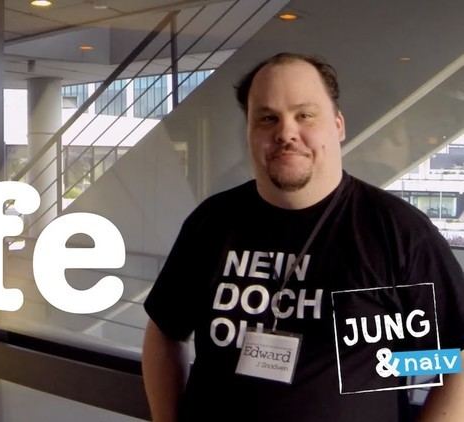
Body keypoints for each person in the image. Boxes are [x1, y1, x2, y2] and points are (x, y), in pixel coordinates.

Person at [142, 52, 464, 421]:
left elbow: (456, 355)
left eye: (305, 115)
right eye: (267, 118)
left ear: (338, 125)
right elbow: (166, 330)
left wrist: (387, 363)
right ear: (249, 132)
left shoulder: (398, 230)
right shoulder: (212, 222)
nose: (286, 133)